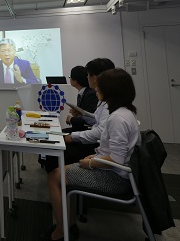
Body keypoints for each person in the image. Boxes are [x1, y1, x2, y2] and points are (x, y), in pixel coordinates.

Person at [44, 68, 141, 241]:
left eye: (99, 87)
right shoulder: (125, 112)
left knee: (54, 177)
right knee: (63, 174)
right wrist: (94, 157)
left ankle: (61, 231)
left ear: (110, 90)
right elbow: (114, 153)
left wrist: (90, 162)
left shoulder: (117, 118)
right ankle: (68, 225)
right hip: (115, 170)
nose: (96, 89)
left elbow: (116, 159)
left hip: (114, 178)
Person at [39, 58, 115, 174]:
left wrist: (73, 136)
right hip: (95, 141)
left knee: (55, 149)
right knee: (56, 141)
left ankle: (58, 177)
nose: (87, 78)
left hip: (95, 144)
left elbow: (100, 130)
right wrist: (82, 115)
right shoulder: (104, 98)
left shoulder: (105, 101)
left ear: (95, 78)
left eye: (88, 75)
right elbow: (97, 120)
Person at [64, 65, 98, 132]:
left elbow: (90, 120)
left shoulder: (90, 94)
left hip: (87, 131)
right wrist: (76, 114)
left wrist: (72, 119)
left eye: (70, 77)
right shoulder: (82, 93)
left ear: (75, 82)